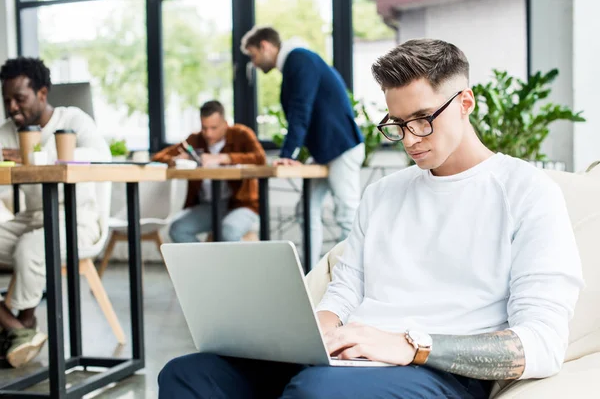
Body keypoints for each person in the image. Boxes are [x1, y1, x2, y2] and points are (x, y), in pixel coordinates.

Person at [157, 39, 584, 398]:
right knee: (188, 374)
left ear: (465, 102)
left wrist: (410, 346)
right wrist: (314, 333)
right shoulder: (383, 193)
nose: (410, 140)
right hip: (349, 357)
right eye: (397, 124)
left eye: (423, 120)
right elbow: (344, 290)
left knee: (315, 391)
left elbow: (542, 344)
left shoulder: (526, 191)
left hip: (436, 369)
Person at [0, 57, 111, 368]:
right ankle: (18, 328)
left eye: (19, 98)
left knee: (31, 249)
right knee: (30, 241)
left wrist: (34, 156)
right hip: (33, 217)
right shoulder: (7, 131)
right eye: (6, 99)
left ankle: (20, 326)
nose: (11, 107)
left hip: (78, 220)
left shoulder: (73, 119)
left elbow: (101, 159)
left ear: (42, 94)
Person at [240, 26, 365, 268]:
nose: (253, 63)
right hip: (326, 152)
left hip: (341, 148)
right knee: (306, 210)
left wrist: (289, 154)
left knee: (348, 214)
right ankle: (312, 274)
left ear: (265, 45)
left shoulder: (299, 58)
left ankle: (349, 276)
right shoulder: (296, 61)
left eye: (253, 55)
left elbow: (300, 108)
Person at [153, 100, 266, 243]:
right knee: (178, 229)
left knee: (228, 232)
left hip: (242, 205)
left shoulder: (241, 134)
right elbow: (158, 157)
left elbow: (260, 158)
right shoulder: (195, 140)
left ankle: (236, 266)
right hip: (209, 206)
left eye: (214, 128)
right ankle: (206, 265)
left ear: (225, 124)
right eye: (204, 128)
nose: (208, 133)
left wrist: (223, 158)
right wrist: (178, 160)